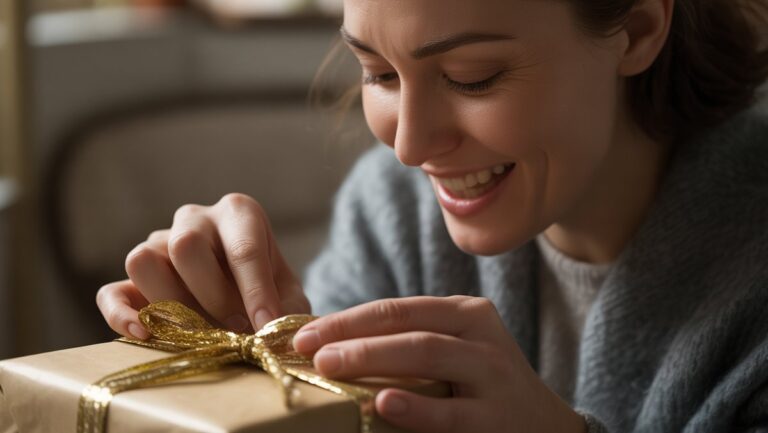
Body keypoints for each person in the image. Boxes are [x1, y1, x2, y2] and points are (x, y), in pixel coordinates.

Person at [95, 0, 768, 431]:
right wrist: (250, 354)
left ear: (640, 28)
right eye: (379, 74)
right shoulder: (392, 211)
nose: (409, 147)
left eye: (473, 76)